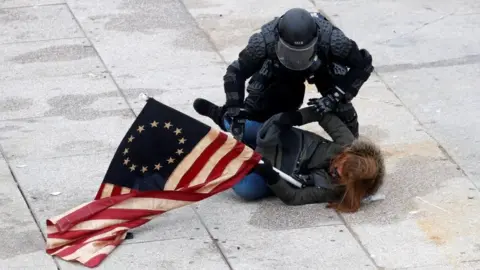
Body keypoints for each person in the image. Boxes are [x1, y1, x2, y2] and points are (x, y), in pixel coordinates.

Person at [194, 7, 373, 145]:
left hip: (320, 67)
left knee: (346, 122)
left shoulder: (333, 41)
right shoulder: (263, 42)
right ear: (278, 39)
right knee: (252, 116)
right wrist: (235, 107)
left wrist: (336, 96)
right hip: (280, 71)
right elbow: (235, 72)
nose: (297, 59)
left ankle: (350, 141)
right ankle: (221, 115)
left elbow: (363, 64)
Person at [231, 106, 385, 213]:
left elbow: (293, 197)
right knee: (236, 125)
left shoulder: (332, 190)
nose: (333, 170)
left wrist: (272, 178)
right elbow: (323, 115)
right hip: (284, 140)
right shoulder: (348, 143)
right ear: (348, 153)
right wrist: (296, 117)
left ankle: (235, 157)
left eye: (338, 176)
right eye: (340, 163)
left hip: (277, 171)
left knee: (245, 189)